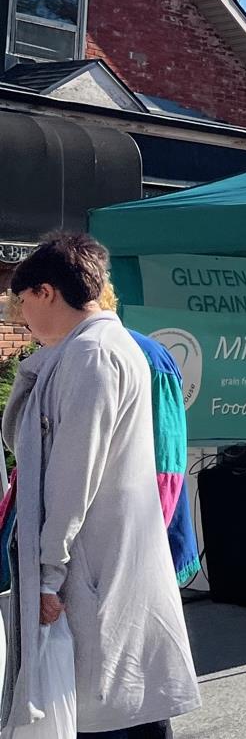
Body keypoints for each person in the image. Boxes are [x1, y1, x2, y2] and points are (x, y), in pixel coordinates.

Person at [1, 233, 201, 736]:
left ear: (47, 292)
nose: (22, 316)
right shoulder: (108, 346)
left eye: (22, 301)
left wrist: (48, 574)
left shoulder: (90, 354)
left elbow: (73, 474)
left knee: (110, 704)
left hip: (93, 560)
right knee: (127, 701)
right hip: (111, 554)